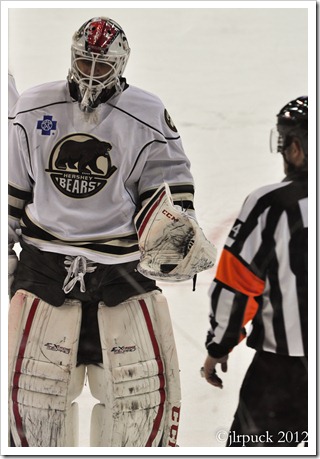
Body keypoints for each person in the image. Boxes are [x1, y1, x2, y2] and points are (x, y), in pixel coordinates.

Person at [8, 17, 216, 448]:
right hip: (44, 268)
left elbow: (170, 188)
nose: (89, 73)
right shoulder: (32, 107)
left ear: (120, 65)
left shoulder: (146, 113)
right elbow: (12, 190)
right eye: (83, 62)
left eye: (100, 66)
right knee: (34, 407)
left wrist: (175, 233)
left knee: (135, 410)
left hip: (121, 273)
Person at [202, 96, 308, 447]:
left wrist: (220, 345)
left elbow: (235, 286)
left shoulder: (272, 206)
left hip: (284, 379)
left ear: (295, 149)